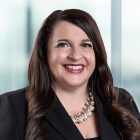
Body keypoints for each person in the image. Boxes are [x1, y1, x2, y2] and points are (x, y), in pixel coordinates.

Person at [0, 9, 140, 140]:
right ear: (45, 52)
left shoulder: (121, 101)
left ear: (96, 53)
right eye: (63, 45)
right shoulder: (11, 107)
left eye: (86, 45)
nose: (75, 55)